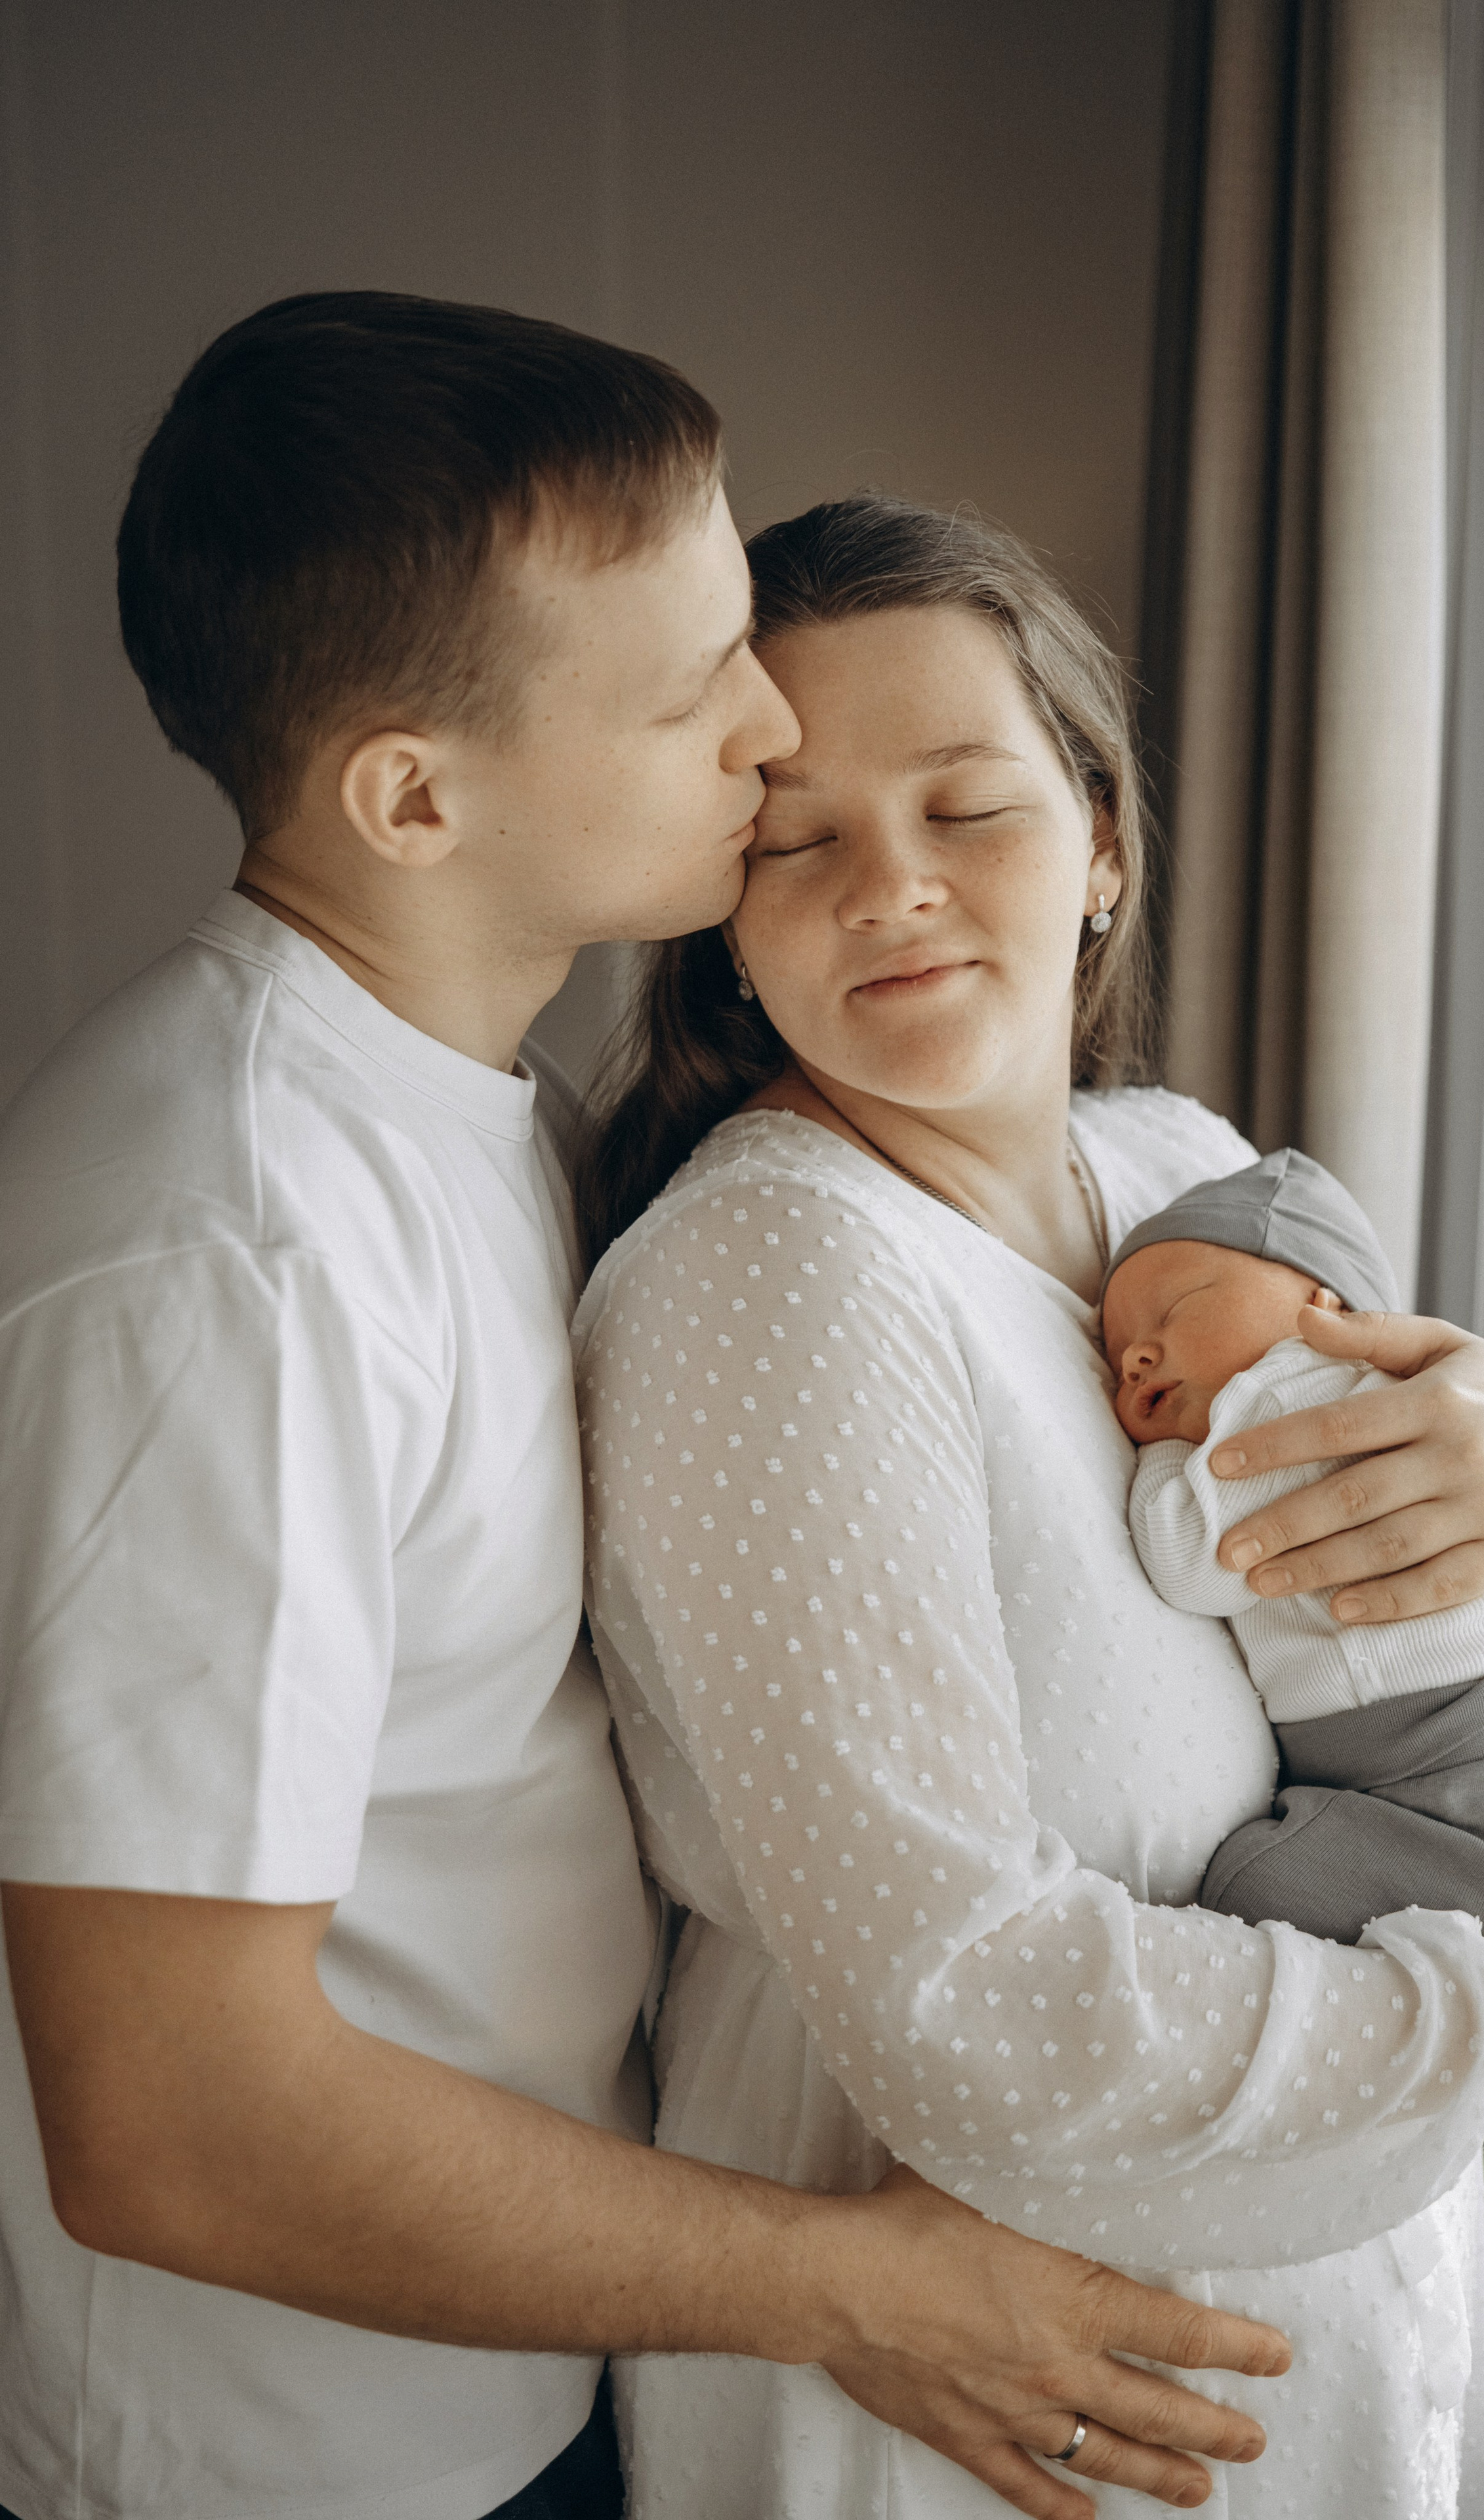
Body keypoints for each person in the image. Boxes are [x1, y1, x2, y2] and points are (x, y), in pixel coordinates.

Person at [0, 298, 1303, 2520]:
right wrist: (858, 2289)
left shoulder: (464, 1112)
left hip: (529, 2375)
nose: (773, 719)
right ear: (416, 795)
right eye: (699, 682)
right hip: (305, 2466)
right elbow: (173, 2126)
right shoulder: (230, 1248)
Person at [571, 492, 1484, 2517]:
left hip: (1324, 2334)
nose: (889, 886)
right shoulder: (778, 1278)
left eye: (965, 805)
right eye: (798, 835)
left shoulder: (1173, 1169)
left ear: (1096, 838)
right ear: (722, 918)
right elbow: (956, 1996)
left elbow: (1473, 1638)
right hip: (984, 2401)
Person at [1104, 1148, 1484, 1946]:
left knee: (1247, 1898)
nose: (1134, 1356)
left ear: (1322, 1306)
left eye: (1175, 1307)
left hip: (1445, 1772)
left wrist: (1156, 1457)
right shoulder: (1379, 1404)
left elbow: (1188, 1562)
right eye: (1115, 1350)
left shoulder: (1292, 1392)